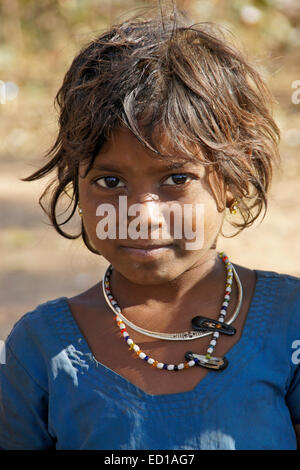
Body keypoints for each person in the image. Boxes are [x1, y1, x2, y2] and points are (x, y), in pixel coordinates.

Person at [0, 7, 299, 451]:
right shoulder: (39, 352)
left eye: (177, 179)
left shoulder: (290, 325)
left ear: (234, 181)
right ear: (77, 187)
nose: (142, 213)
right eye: (110, 181)